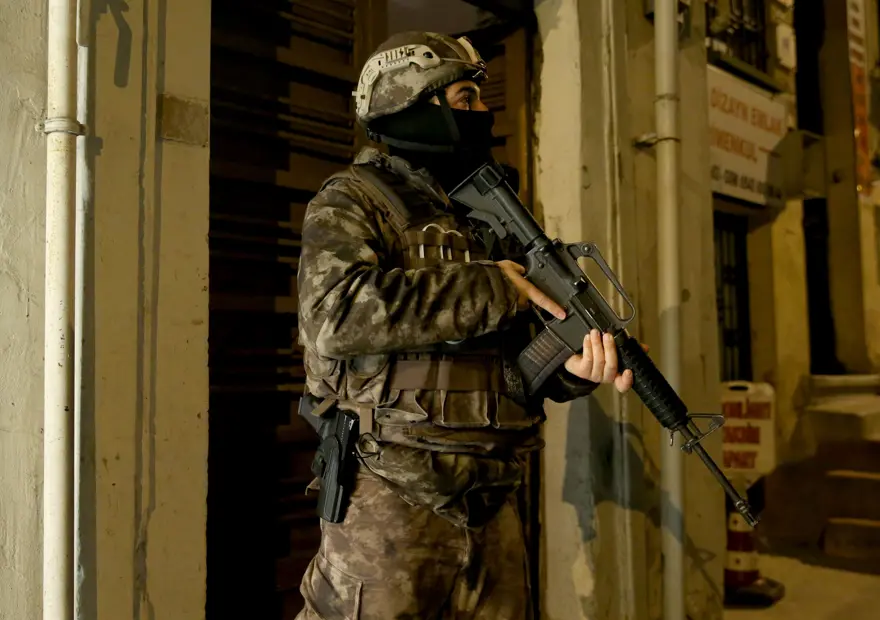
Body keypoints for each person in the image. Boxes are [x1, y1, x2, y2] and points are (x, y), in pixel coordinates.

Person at [295, 31, 636, 620]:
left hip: (491, 497)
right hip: (389, 494)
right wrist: (490, 286)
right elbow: (333, 316)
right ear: (413, 103)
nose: (483, 112)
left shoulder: (486, 215)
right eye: (465, 99)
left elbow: (515, 359)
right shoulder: (354, 199)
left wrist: (571, 369)